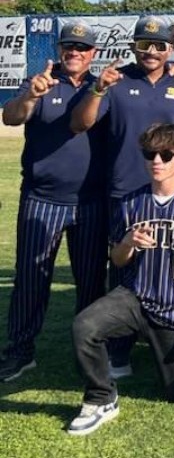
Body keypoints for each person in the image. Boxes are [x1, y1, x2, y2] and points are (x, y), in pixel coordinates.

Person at [67, 124, 174, 435]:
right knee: (84, 325)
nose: (156, 161)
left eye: (165, 155)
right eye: (149, 154)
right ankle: (101, 398)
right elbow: (117, 258)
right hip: (135, 296)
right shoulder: (131, 202)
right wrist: (128, 242)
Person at [0, 23, 109, 381]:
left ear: (93, 53)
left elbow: (84, 123)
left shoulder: (107, 85)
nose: (74, 52)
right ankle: (20, 351)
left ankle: (89, 353)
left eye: (82, 47)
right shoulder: (40, 80)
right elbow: (11, 116)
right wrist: (31, 95)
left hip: (91, 200)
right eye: (69, 46)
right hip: (42, 198)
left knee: (91, 282)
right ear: (59, 49)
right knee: (31, 279)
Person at [70, 15, 174, 203]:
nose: (151, 52)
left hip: (172, 190)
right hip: (124, 190)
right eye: (144, 44)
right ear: (132, 47)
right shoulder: (115, 81)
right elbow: (79, 125)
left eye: (159, 46)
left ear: (170, 50)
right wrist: (98, 89)